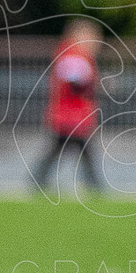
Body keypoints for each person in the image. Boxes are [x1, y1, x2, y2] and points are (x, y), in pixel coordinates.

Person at [33, 18, 103, 193]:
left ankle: (39, 180)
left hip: (72, 115)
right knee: (75, 150)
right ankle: (94, 185)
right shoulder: (73, 55)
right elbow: (75, 79)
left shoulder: (72, 54)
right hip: (71, 116)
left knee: (63, 150)